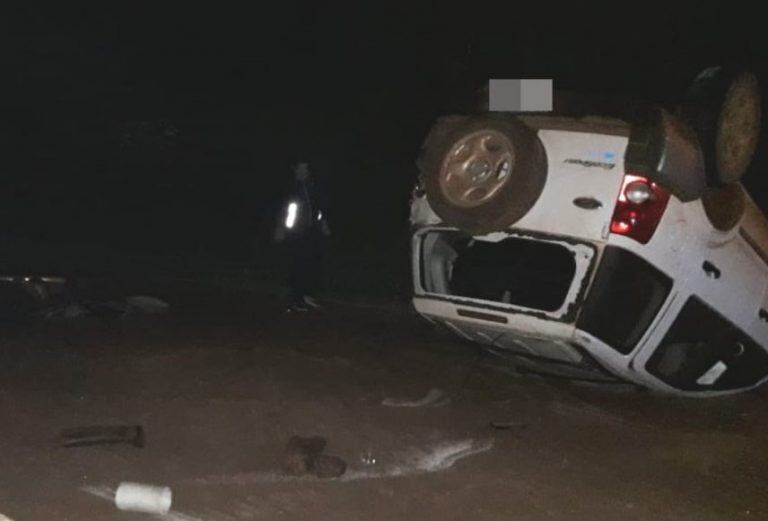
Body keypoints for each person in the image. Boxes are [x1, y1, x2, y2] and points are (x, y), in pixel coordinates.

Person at [274, 162, 331, 312]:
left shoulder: (312, 186)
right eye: (300, 168)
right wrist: (282, 228)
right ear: (295, 170)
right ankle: (296, 299)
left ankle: (306, 295)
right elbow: (285, 209)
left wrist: (323, 224)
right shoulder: (292, 187)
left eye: (305, 168)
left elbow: (319, 208)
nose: (303, 171)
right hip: (295, 231)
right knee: (297, 264)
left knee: (310, 262)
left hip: (311, 231)